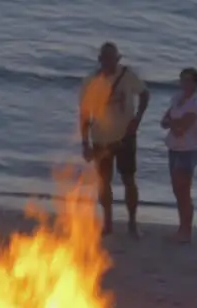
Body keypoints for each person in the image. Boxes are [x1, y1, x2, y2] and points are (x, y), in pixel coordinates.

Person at [79, 42, 150, 237]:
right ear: (100, 60)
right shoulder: (90, 81)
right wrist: (85, 143)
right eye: (105, 59)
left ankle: (132, 223)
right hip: (101, 138)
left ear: (117, 59)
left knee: (129, 179)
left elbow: (144, 94)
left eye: (111, 59)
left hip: (125, 136)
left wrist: (137, 118)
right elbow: (85, 115)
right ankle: (107, 223)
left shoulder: (127, 75)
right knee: (103, 181)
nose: (108, 63)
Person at [160, 68, 197, 242]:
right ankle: (182, 228)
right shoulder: (176, 99)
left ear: (196, 84)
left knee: (183, 191)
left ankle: (186, 231)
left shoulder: (196, 105)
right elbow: (164, 122)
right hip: (173, 149)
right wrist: (175, 123)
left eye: (189, 81)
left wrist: (174, 123)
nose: (186, 84)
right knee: (177, 190)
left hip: (186, 151)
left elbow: (181, 129)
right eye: (183, 80)